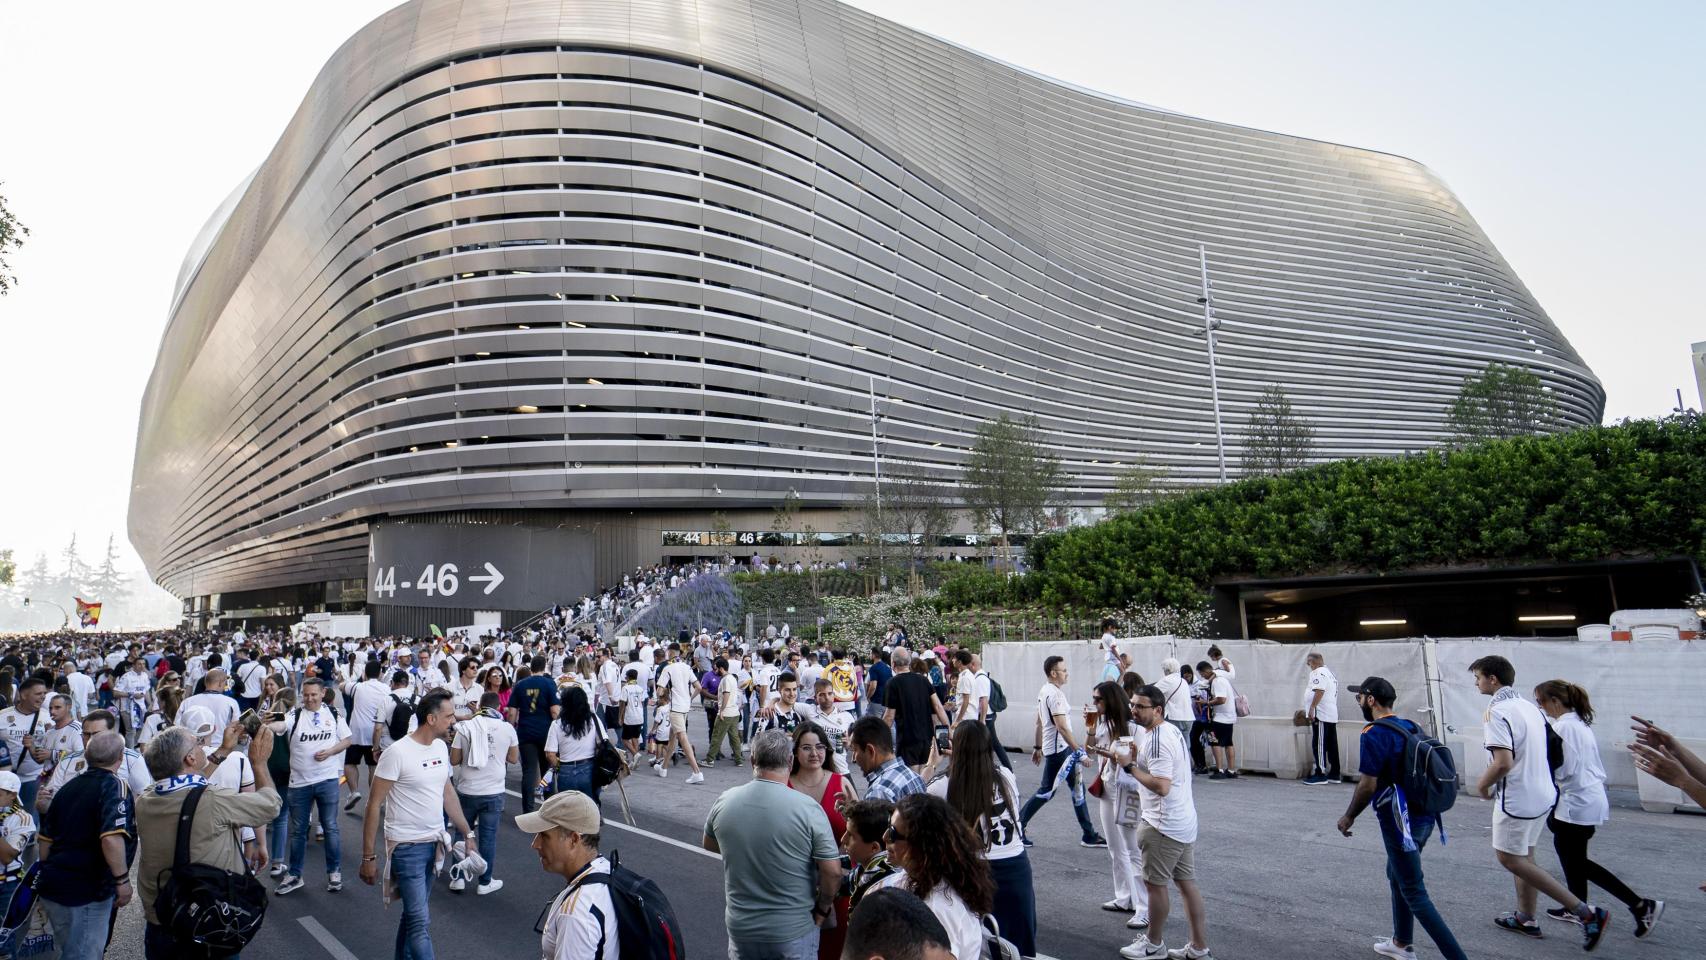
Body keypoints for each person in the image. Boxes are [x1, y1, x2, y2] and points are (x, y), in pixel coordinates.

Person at [1469, 655, 1608, 948]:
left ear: (1493, 679)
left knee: (1509, 858)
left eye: (1478, 677)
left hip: (1517, 797)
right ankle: (1526, 918)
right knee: (1524, 857)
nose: (1476, 682)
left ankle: (1586, 913)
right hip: (1543, 793)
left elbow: (1503, 762)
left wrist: (1482, 784)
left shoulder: (1498, 711)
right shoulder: (1530, 708)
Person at [1335, 676, 1467, 960]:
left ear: (1371, 700)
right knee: (1396, 874)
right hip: (1426, 816)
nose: (1358, 702)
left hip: (1399, 821)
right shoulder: (1410, 726)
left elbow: (1368, 784)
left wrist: (1349, 816)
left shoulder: (1373, 733)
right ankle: (1401, 943)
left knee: (1414, 891)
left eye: (1359, 697)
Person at [136, 723, 282, 958]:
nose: (203, 746)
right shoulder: (213, 801)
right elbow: (270, 805)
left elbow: (188, 788)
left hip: (161, 922)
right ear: (191, 758)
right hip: (206, 926)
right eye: (198, 743)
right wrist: (259, 763)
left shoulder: (146, 799)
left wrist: (224, 750)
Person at [1533, 679, 1662, 937]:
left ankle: (1640, 905)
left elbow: (1565, 768)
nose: (1540, 706)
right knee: (1571, 856)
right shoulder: (1577, 724)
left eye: (1541, 701)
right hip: (1585, 800)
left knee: (1577, 862)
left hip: (1575, 802)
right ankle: (1575, 904)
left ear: (1555, 701)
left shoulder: (1563, 728)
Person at [703, 729, 842, 960]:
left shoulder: (725, 800)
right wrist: (823, 907)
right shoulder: (807, 809)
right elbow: (833, 872)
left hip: (742, 930)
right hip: (792, 931)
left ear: (752, 760)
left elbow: (710, 844)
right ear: (790, 760)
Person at [360, 689, 477, 960]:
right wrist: (368, 857)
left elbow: (447, 792)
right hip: (407, 849)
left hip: (434, 845)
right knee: (419, 924)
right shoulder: (397, 753)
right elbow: (372, 805)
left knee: (413, 916)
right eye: (449, 716)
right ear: (431, 719)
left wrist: (467, 832)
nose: (454, 721)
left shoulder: (439, 748)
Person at [1117, 685, 1210, 960]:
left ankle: (1153, 944)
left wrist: (1128, 766)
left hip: (1162, 824)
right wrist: (1134, 760)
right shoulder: (1169, 731)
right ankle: (1198, 947)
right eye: (1132, 704)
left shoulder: (1157, 739)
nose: (1133, 709)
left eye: (1139, 706)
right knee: (1186, 884)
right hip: (1182, 821)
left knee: (1155, 886)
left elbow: (1161, 786)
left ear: (1158, 710)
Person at [932, 718, 1036, 957]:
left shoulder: (943, 785)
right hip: (1016, 867)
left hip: (973, 870)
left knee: (975, 945)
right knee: (1018, 947)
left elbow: (911, 809)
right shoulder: (1006, 776)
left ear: (955, 747)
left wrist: (932, 764)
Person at [34, 731, 136, 960]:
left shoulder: (67, 789)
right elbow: (110, 837)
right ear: (120, 757)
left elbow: (45, 840)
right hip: (87, 891)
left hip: (55, 886)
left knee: (69, 951)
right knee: (83, 954)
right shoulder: (115, 786)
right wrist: (122, 881)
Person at [881, 793, 995, 960]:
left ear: (921, 846)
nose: (884, 836)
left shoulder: (937, 908)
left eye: (892, 833)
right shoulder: (924, 877)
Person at [517, 790, 620, 960]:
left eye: (544, 835)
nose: (535, 844)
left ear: (573, 839)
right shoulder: (608, 870)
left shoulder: (576, 913)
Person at [277, 677, 352, 896]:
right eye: (305, 695)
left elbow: (347, 739)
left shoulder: (335, 714)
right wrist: (265, 723)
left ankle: (334, 873)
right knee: (299, 831)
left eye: (313, 694)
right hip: (299, 783)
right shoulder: (295, 715)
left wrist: (330, 752)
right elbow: (280, 724)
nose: (309, 699)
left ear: (323, 693)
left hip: (327, 780)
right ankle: (295, 875)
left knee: (330, 827)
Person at [1019, 656, 1104, 847]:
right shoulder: (1055, 695)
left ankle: (1089, 834)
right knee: (1046, 791)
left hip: (1059, 750)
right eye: (1064, 670)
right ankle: (1018, 825)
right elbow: (1062, 728)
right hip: (1060, 752)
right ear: (1053, 673)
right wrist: (1080, 752)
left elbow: (1039, 722)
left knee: (1077, 790)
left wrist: (1037, 747)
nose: (1067, 674)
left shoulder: (1046, 690)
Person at [1086, 680, 1148, 931]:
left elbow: (1139, 762)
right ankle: (1125, 897)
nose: (1095, 704)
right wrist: (1089, 727)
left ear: (1111, 700)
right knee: (1114, 847)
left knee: (1133, 850)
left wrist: (1114, 757)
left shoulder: (1134, 728)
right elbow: (1088, 751)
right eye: (1094, 699)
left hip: (1128, 791)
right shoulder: (1101, 722)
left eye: (1099, 700)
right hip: (1108, 789)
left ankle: (1144, 909)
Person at [790, 723, 854, 960]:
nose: (814, 753)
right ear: (795, 752)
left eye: (819, 747)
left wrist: (851, 815)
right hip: (795, 888)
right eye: (806, 748)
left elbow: (862, 834)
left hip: (838, 885)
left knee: (834, 950)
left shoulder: (841, 782)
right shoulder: (784, 783)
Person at [450, 691, 519, 895]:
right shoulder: (507, 728)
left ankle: (458, 878)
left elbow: (454, 760)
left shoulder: (465, 727)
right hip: (493, 790)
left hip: (467, 789)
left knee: (463, 832)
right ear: (498, 707)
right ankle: (484, 881)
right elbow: (514, 759)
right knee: (488, 837)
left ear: (479, 705)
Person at [36, 709, 152, 811]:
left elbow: (145, 797)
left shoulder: (132, 759)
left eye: (96, 734)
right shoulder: (67, 761)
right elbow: (50, 801)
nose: (91, 739)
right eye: (86, 734)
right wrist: (43, 802)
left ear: (111, 733)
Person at [883, 649, 949, 777]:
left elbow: (889, 716)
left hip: (907, 739)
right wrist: (948, 733)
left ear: (893, 663)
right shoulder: (923, 680)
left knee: (912, 779)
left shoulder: (893, 683)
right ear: (909, 662)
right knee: (926, 774)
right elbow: (938, 707)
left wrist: (879, 739)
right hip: (926, 737)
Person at [507, 657, 560, 814]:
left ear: (531, 668)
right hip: (545, 732)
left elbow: (511, 712)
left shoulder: (520, 685)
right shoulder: (549, 683)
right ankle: (549, 808)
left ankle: (528, 810)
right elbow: (555, 711)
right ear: (544, 667)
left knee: (529, 772)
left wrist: (511, 729)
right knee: (547, 771)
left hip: (526, 731)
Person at [545, 686, 605, 805]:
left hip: (566, 771)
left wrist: (559, 767)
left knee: (569, 812)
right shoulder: (593, 719)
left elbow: (550, 754)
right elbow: (603, 743)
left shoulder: (557, 724)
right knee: (590, 808)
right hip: (589, 769)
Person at [347, 659, 392, 814]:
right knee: (373, 766)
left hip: (356, 732)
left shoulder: (358, 687)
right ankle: (374, 799)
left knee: (350, 763)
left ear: (364, 673)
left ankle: (353, 792)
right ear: (380, 673)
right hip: (376, 731)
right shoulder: (386, 689)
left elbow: (341, 685)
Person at [0, 677, 51, 813]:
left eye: (44, 694)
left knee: (30, 817)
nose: (43, 697)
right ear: (23, 695)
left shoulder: (48, 717)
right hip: (6, 780)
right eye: (38, 694)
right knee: (6, 818)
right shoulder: (3, 716)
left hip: (34, 778)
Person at [846, 716, 925, 803]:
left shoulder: (878, 794)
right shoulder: (914, 776)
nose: (853, 759)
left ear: (870, 750)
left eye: (854, 750)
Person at [655, 650, 705, 783]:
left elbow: (659, 691)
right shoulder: (687, 667)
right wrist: (689, 698)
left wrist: (662, 694)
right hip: (684, 707)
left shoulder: (668, 669)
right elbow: (699, 687)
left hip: (675, 707)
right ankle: (664, 768)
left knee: (682, 738)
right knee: (673, 738)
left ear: (669, 655)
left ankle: (696, 772)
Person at [0, 771, 35, 960]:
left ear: (12, 795)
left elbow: (7, 856)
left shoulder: (22, 819)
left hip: (7, 886)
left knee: (4, 944)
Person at [842, 798, 898, 909]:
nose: (843, 839)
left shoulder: (880, 889)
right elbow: (843, 884)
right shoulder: (867, 866)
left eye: (850, 835)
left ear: (874, 847)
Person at [1301, 652, 1341, 784]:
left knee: (1319, 744)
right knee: (1331, 744)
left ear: (1315, 662)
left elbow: (1320, 691)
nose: (1308, 664)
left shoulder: (1318, 672)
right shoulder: (1330, 673)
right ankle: (1335, 773)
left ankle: (1320, 773)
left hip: (1321, 714)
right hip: (1331, 714)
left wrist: (1312, 707)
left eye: (1309, 662)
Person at [1196, 661, 1237, 780]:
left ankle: (1219, 770)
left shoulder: (1217, 681)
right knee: (1228, 743)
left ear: (1206, 671)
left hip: (1220, 718)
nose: (1202, 676)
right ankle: (1231, 770)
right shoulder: (1223, 679)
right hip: (1229, 718)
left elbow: (1221, 699)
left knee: (1214, 742)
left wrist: (1207, 703)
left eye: (1201, 674)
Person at [708, 657, 746, 765]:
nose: (715, 672)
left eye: (716, 669)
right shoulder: (732, 678)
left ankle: (709, 759)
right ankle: (738, 760)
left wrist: (721, 710)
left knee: (717, 736)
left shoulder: (725, 679)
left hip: (727, 712)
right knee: (734, 738)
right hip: (734, 712)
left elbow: (726, 695)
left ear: (721, 668)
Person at [1154, 659, 1194, 743]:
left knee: (1173, 744)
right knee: (1185, 745)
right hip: (1189, 717)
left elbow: (1151, 691)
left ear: (1167, 670)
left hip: (1175, 717)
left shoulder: (1167, 680)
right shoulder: (1183, 681)